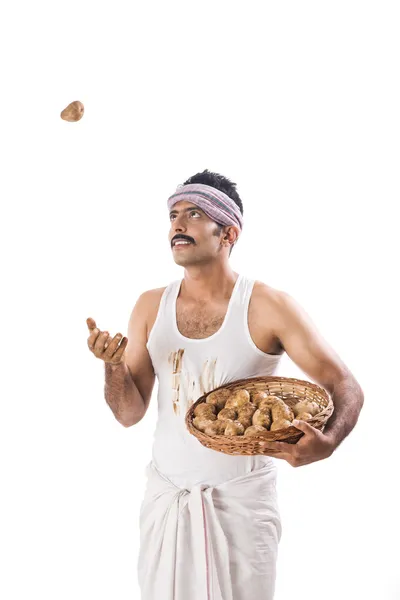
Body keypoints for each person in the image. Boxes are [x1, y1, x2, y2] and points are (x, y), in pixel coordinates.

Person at [86, 169, 364, 600]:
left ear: (228, 233)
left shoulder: (268, 306)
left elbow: (345, 386)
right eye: (174, 214)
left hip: (241, 507)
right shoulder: (148, 306)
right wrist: (114, 367)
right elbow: (128, 414)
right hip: (168, 503)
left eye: (194, 214)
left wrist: (327, 441)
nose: (178, 224)